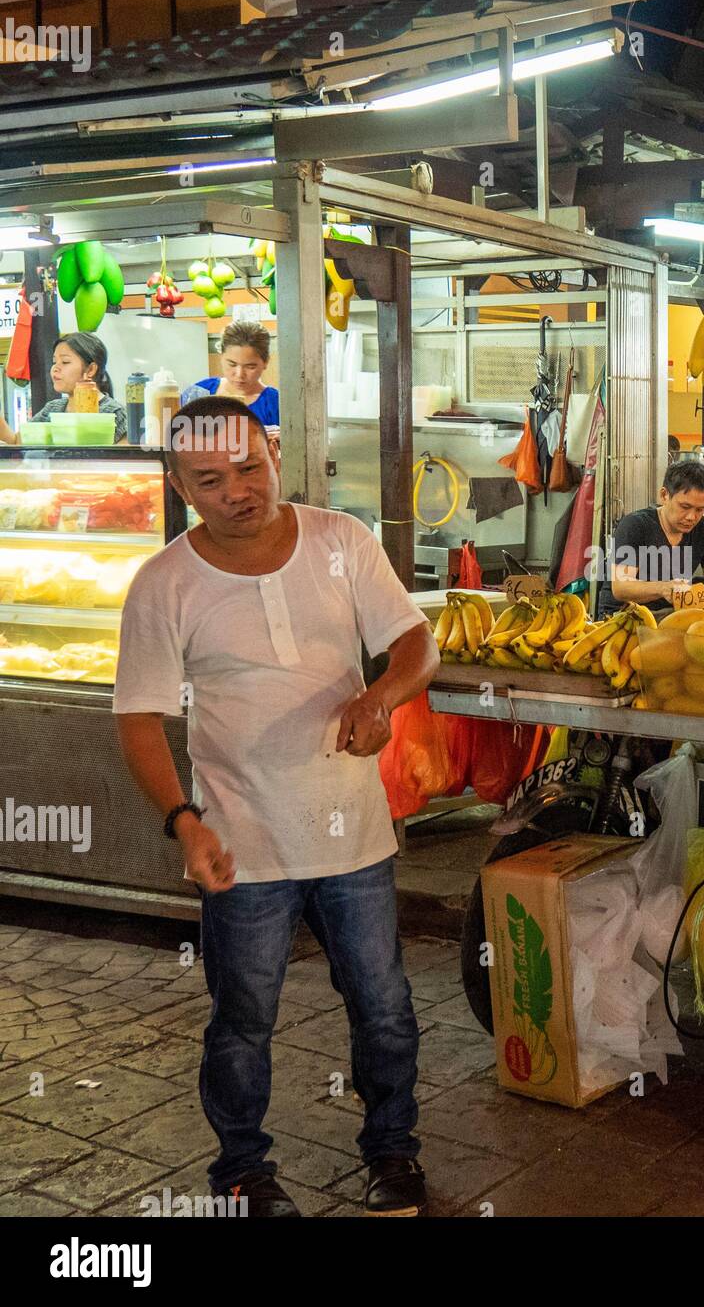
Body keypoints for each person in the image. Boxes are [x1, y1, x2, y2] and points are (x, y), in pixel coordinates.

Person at [113, 395, 438, 1218]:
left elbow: (414, 640)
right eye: (211, 479)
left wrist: (383, 696)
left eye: (250, 468)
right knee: (242, 1019)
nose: (238, 491)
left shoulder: (341, 541)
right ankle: (243, 1172)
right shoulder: (164, 584)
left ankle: (393, 1152)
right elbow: (139, 718)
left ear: (274, 456)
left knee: (386, 1008)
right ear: (183, 487)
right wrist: (184, 823)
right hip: (241, 843)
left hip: (355, 835)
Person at [597, 459, 704, 620]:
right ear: (664, 495)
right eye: (685, 507)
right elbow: (621, 588)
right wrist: (663, 588)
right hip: (626, 614)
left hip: (674, 611)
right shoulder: (635, 525)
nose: (692, 517)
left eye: (700, 510)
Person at [0, 331, 127, 444]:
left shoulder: (115, 413)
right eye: (54, 362)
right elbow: (17, 441)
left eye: (65, 362)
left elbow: (123, 461)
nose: (55, 368)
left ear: (91, 369)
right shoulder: (52, 409)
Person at [181, 320, 280, 435]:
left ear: (266, 362)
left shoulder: (275, 403)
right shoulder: (200, 392)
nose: (239, 374)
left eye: (250, 366)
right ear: (221, 357)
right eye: (232, 364)